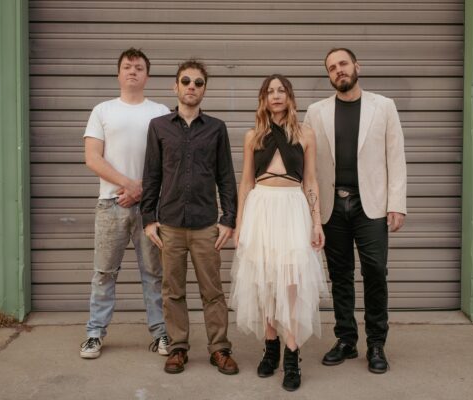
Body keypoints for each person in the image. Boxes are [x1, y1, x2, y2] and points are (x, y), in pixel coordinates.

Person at [304, 48, 407, 374]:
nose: (339, 70)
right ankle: (346, 340)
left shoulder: (384, 106)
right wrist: (310, 210)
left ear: (356, 67)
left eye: (343, 64)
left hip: (371, 205)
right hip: (332, 205)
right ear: (329, 75)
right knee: (340, 275)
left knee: (375, 272)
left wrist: (396, 203)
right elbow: (307, 165)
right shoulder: (316, 112)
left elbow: (396, 157)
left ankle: (376, 344)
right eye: (332, 67)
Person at [141, 60, 239, 376]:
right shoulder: (159, 127)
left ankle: (219, 348)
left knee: (213, 291)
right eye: (186, 81)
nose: (191, 87)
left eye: (198, 82)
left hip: (206, 225)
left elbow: (226, 177)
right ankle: (178, 348)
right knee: (173, 291)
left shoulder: (216, 128)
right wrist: (148, 218)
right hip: (169, 225)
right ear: (176, 86)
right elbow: (152, 175)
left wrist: (229, 219)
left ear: (204, 90)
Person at [230, 74, 328, 391]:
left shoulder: (305, 133)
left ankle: (292, 354)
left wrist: (316, 221)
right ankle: (270, 346)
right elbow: (246, 181)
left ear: (289, 97)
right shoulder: (253, 136)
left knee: (290, 282)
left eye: (281, 90)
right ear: (263, 98)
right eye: (270, 91)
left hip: (292, 207)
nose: (276, 95)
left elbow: (310, 180)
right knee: (265, 280)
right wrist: (239, 224)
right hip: (260, 207)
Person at [80, 48, 170, 359]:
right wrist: (128, 184)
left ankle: (161, 334)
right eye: (127, 67)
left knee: (154, 274)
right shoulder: (102, 111)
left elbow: (169, 160)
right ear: (118, 74)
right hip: (111, 204)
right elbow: (92, 158)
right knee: (104, 273)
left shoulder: (160, 112)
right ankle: (94, 334)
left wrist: (142, 189)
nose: (133, 71)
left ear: (147, 75)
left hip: (150, 208)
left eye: (139, 67)